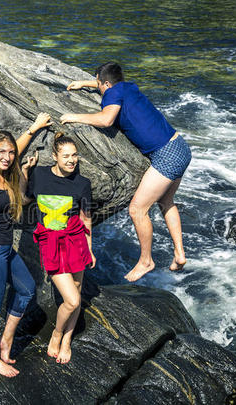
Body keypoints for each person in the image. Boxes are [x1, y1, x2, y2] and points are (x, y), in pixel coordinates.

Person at [60, 62, 191, 282]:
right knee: (166, 201)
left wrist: (74, 116)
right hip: (180, 146)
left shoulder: (112, 92)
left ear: (107, 84)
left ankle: (146, 261)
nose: (100, 88)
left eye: (99, 85)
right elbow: (107, 84)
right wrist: (85, 83)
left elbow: (106, 119)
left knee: (137, 209)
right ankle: (179, 254)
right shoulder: (127, 87)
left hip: (166, 155)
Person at [0, 113, 51, 377]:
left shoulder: (9, 172)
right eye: (1, 151)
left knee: (26, 290)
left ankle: (6, 341)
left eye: (10, 153)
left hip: (6, 250)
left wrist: (35, 128)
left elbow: (20, 146)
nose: (7, 156)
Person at [25, 134, 95, 364]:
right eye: (66, 156)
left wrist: (90, 249)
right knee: (73, 300)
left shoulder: (82, 183)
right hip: (51, 241)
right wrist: (25, 172)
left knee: (77, 289)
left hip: (76, 240)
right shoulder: (39, 175)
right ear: (54, 156)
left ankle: (67, 341)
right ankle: (56, 334)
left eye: (75, 155)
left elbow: (86, 219)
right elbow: (24, 198)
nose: (71, 160)